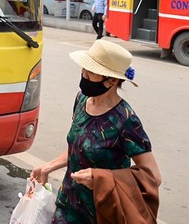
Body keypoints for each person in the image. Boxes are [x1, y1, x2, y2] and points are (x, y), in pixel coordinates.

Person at [30, 40, 161, 223]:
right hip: (68, 204)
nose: (83, 75)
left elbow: (152, 176)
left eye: (90, 72)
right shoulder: (82, 100)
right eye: (84, 69)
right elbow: (78, 147)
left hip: (102, 212)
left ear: (112, 80)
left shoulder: (125, 120)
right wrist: (48, 166)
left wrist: (101, 178)